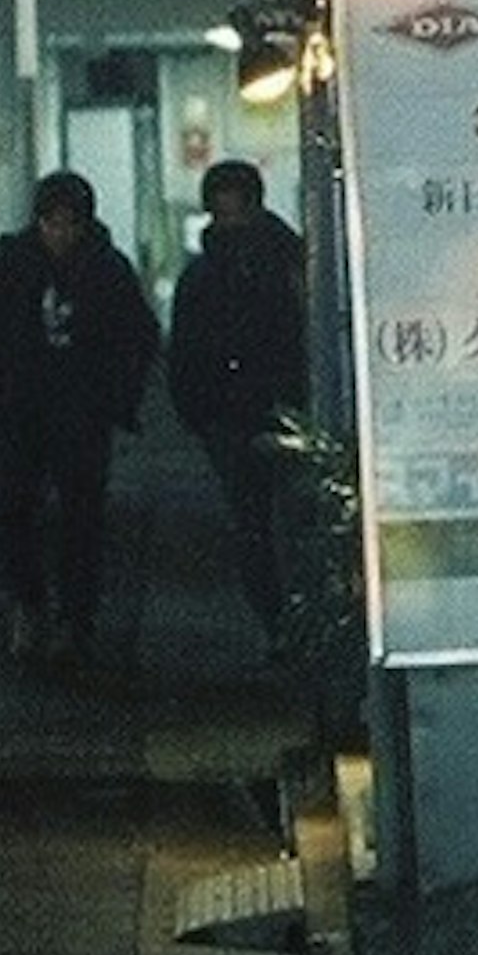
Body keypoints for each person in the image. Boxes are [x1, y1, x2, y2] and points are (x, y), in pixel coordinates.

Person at [0, 167, 159, 668]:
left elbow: (140, 338)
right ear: (38, 221)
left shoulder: (106, 268)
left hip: (77, 414)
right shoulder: (12, 261)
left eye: (69, 224)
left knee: (79, 518)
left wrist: (114, 399)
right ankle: (31, 605)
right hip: (19, 412)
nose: (60, 233)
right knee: (12, 509)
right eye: (52, 223)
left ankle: (71, 619)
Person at [168, 156, 312, 646]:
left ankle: (289, 626)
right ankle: (286, 626)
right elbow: (184, 350)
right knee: (268, 526)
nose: (229, 224)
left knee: (274, 526)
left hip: (266, 412)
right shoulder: (289, 260)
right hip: (249, 415)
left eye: (235, 213)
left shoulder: (216, 271)